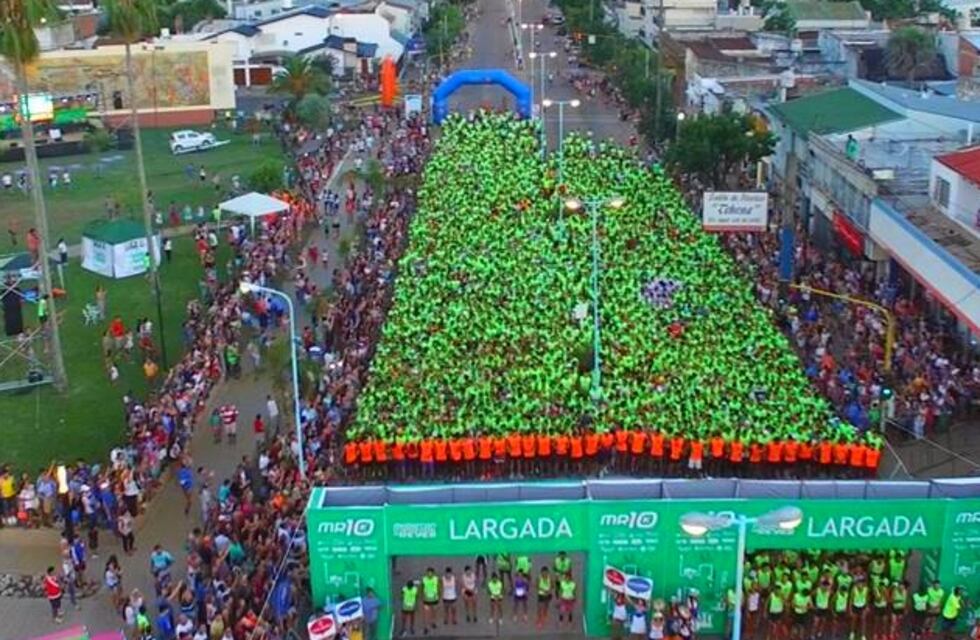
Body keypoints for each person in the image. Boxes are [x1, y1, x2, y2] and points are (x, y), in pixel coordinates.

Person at [421, 567, 439, 633]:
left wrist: (438, 595)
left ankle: (433, 622)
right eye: (428, 573)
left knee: (434, 612)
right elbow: (422, 588)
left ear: (433, 573)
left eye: (431, 573)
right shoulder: (424, 579)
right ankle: (426, 627)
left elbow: (439, 587)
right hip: (426, 599)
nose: (429, 574)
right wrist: (423, 596)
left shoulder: (436, 579)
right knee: (426, 614)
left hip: (434, 599)